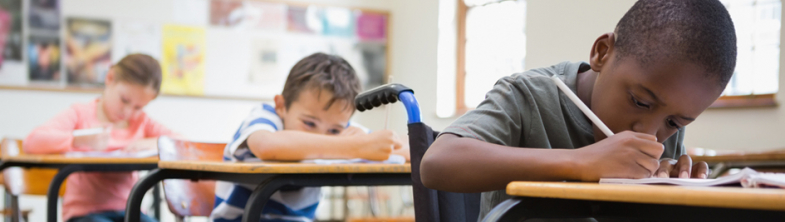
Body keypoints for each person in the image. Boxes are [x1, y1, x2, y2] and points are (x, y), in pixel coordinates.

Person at [420, 0, 737, 219]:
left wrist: (680, 200)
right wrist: (582, 162)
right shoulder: (528, 96)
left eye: (673, 122)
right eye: (640, 101)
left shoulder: (664, 131)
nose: (649, 134)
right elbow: (437, 163)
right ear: (602, 52)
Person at [210, 52, 409, 222]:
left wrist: (376, 144)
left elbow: (401, 146)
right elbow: (266, 145)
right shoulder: (265, 117)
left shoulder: (344, 133)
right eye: (309, 123)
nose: (320, 136)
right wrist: (350, 145)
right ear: (281, 105)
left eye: (333, 131)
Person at [24, 54, 172, 222]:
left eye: (139, 107)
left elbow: (180, 143)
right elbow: (32, 141)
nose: (128, 112)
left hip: (129, 210)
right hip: (84, 214)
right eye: (124, 100)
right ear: (110, 78)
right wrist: (78, 140)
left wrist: (150, 142)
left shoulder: (141, 121)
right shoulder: (80, 114)